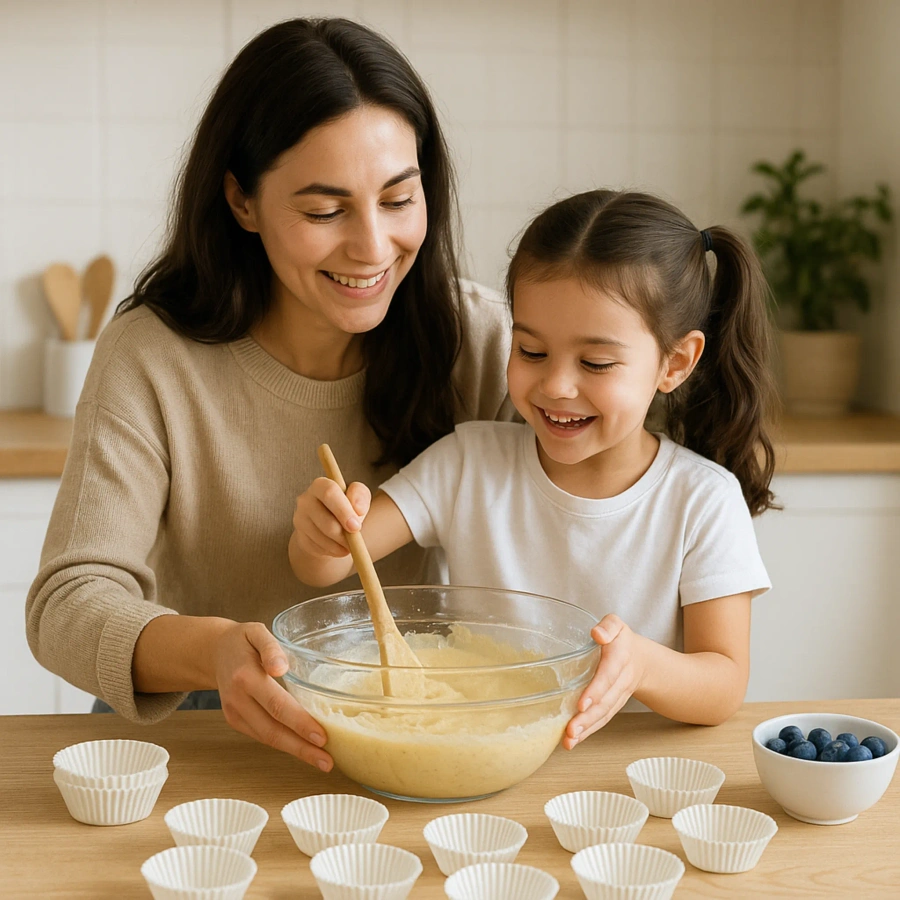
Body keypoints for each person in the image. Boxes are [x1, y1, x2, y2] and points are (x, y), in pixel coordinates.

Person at [25, 18, 516, 774]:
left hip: (406, 724)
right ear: (242, 201)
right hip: (191, 725)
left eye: (398, 200)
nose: (372, 246)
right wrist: (214, 651)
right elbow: (67, 603)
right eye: (324, 211)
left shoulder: (483, 341)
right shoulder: (153, 355)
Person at [290, 189, 778, 749]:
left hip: (619, 773)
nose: (556, 386)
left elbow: (722, 685)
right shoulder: (467, 464)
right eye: (531, 351)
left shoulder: (702, 500)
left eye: (595, 362)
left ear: (675, 362)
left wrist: (640, 664)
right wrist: (323, 534)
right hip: (475, 753)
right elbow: (323, 569)